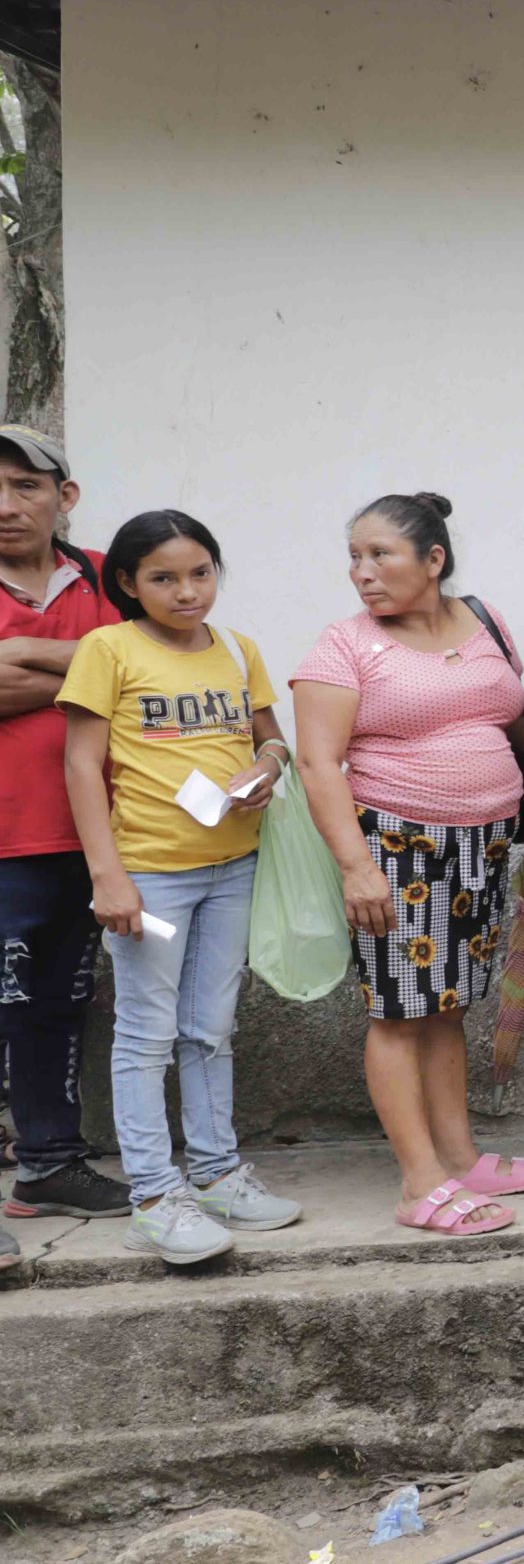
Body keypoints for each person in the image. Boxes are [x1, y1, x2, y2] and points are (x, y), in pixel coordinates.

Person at [292, 493, 524, 1238]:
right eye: (355, 557)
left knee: (448, 1004)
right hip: (396, 846)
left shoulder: (486, 621)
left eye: (381, 555)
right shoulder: (344, 645)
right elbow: (316, 762)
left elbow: (513, 715)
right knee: (400, 1011)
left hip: (484, 845)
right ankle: (418, 1180)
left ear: (433, 560)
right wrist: (355, 866)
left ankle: (459, 1154)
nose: (361, 573)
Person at [62, 510, 302, 1264]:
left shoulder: (237, 649)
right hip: (151, 875)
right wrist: (109, 876)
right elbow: (79, 765)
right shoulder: (109, 648)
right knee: (145, 1034)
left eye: (200, 572)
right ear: (128, 583)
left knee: (212, 1026)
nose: (187, 590)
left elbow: (271, 738)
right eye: (163, 577)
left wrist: (265, 767)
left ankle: (216, 1172)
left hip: (235, 866)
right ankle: (154, 1197)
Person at [0, 427, 127, 1252]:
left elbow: (147, 667)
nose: (5, 507)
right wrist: (94, 673)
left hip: (84, 839)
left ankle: (49, 1161)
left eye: (24, 486)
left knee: (56, 1007)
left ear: (64, 496)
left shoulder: (107, 576)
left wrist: (25, 655)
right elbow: (116, 673)